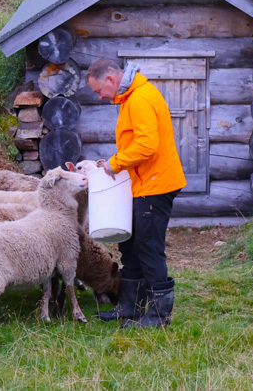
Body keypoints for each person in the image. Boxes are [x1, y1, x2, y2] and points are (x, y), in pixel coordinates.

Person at [85, 57, 185, 328]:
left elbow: (147, 145)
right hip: (143, 183)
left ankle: (158, 316)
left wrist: (114, 164)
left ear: (111, 79)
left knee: (149, 247)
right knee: (130, 244)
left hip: (156, 184)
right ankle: (130, 307)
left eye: (98, 91)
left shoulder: (140, 98)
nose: (101, 97)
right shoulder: (131, 97)